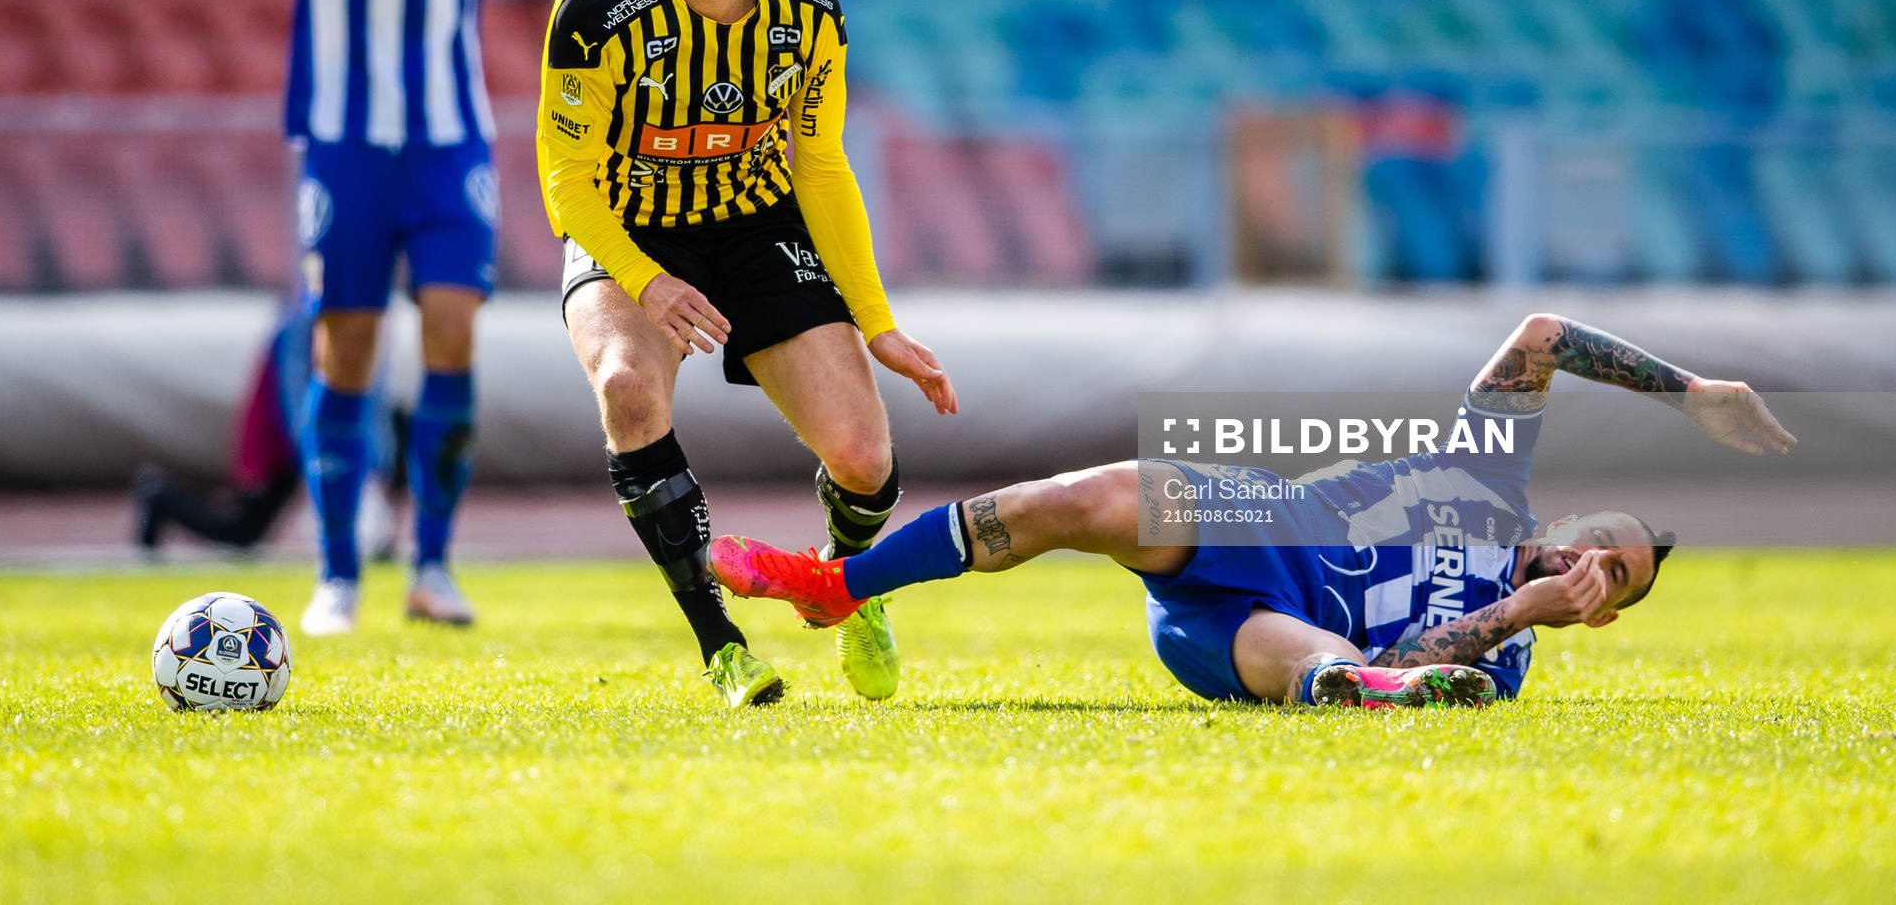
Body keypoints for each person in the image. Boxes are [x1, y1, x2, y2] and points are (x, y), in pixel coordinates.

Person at [92, 0, 817, 635]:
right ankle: (339, 573)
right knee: (343, 347)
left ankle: (432, 564)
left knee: (449, 336)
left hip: (449, 144)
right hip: (344, 143)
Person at [711, 313, 1797, 708]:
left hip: (1238, 628)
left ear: (1602, 617)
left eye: (1613, 576)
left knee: (1327, 660)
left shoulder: (1508, 656)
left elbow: (1432, 649)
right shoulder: (1488, 472)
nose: (1590, 560)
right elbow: (1545, 335)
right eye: (1600, 538)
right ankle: (836, 583)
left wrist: (1523, 615)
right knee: (1091, 493)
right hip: (1256, 517)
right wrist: (1691, 392)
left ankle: (1346, 692)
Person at [537, 0, 957, 707]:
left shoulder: (809, 13)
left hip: (758, 226)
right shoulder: (596, 12)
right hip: (628, 230)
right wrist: (647, 282)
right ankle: (719, 643)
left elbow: (821, 165)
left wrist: (876, 322)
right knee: (624, 385)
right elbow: (567, 180)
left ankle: (846, 585)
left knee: (863, 457)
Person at [133, 294, 401, 561]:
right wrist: (309, 449)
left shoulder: (354, 320)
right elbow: (291, 390)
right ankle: (162, 498)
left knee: (246, 526)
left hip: (307, 434)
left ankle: (163, 498)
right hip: (281, 437)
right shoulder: (304, 321)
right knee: (244, 529)